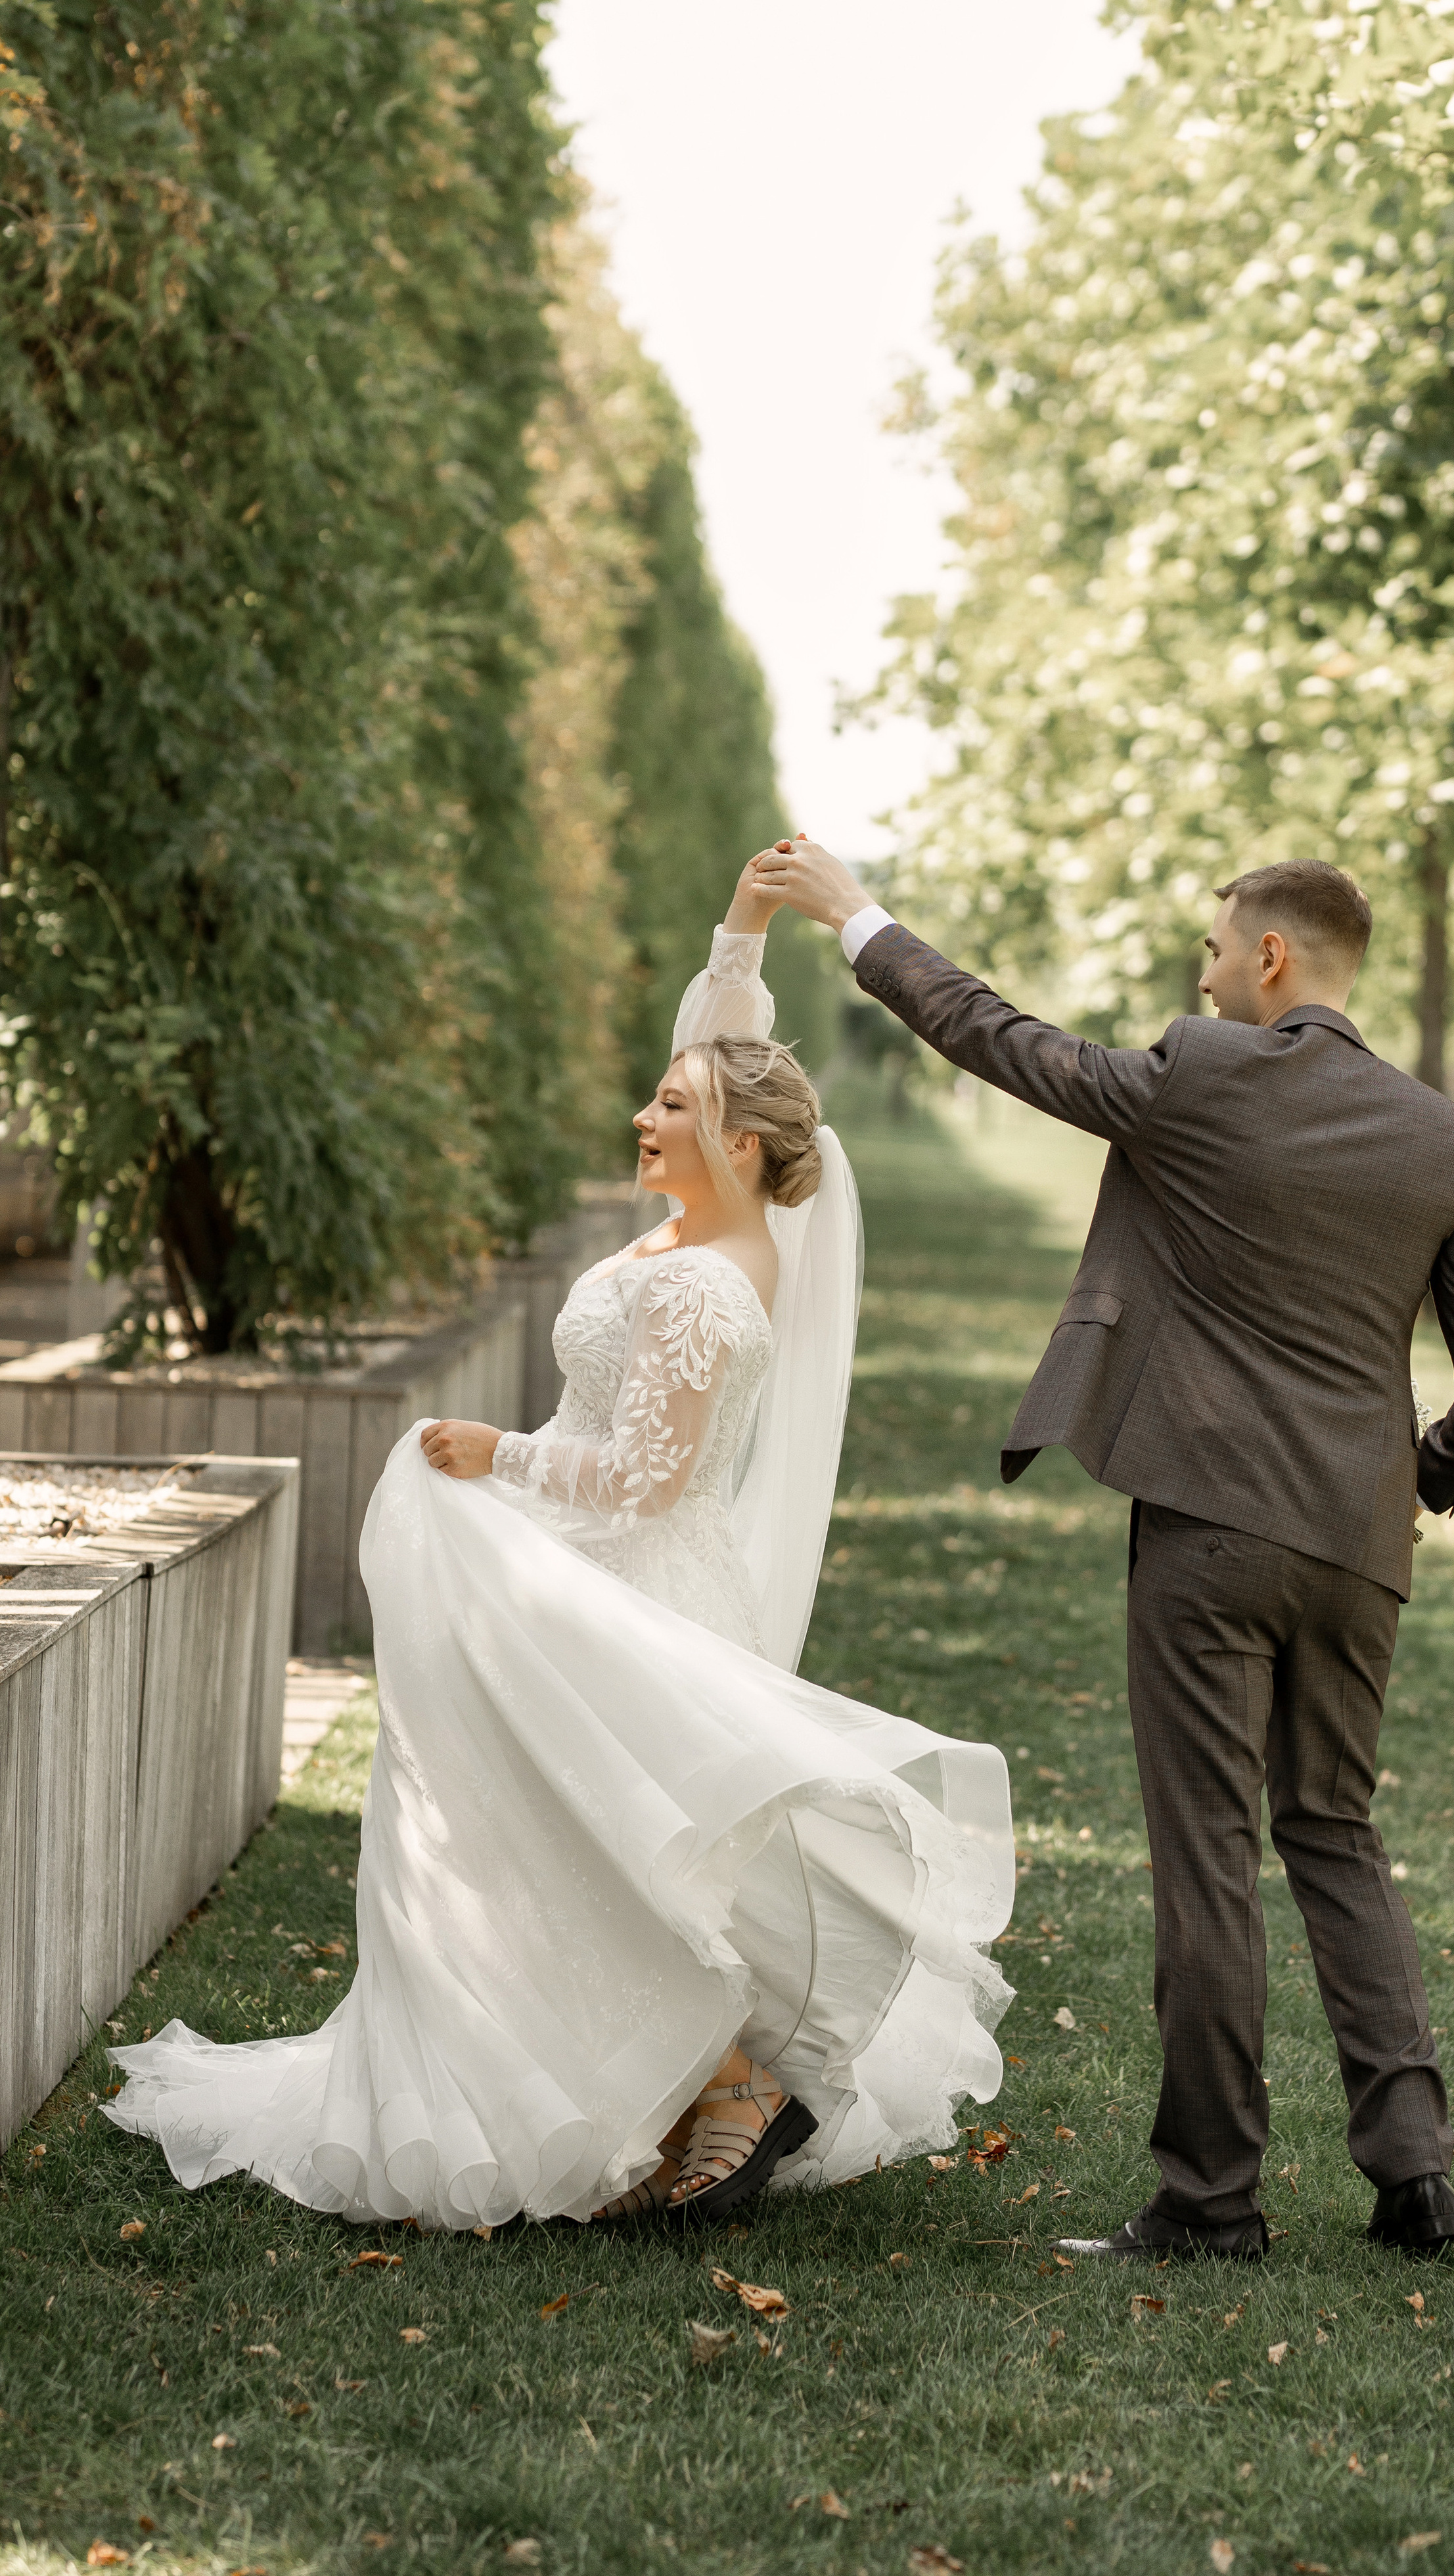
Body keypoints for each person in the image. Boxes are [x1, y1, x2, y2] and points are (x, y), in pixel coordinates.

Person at [104, 865, 1014, 2231]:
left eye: (672, 1107)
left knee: (617, 1846)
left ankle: (733, 2076)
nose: (645, 1113)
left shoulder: (704, 1281)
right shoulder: (700, 1228)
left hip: (636, 1581)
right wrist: (742, 931)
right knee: (561, 1845)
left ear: (740, 1148)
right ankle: (650, 2089)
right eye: (654, 1095)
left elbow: (647, 1480)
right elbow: (715, 1056)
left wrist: (497, 1455)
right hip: (579, 1564)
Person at [754, 836, 1454, 2263]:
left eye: (1216, 945)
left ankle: (1211, 2199)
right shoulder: (1445, 1137)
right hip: (1357, 1547)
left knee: (1208, 1856)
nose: (1204, 968)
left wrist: (856, 916)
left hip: (1210, 1528)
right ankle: (1414, 2172)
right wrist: (1412, 1483)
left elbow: (999, 1038)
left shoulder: (1202, 1073)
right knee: (1335, 1832)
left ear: (1272, 957)